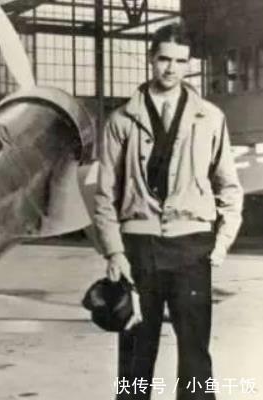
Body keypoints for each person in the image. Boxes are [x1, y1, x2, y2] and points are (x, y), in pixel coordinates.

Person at [93, 22, 243, 400]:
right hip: (139, 248)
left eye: (180, 61)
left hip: (192, 247)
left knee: (195, 356)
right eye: (164, 59)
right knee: (135, 358)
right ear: (151, 58)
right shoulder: (121, 121)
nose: (171, 68)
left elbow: (229, 186)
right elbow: (104, 194)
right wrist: (114, 252)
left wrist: (221, 244)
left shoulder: (210, 118)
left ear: (189, 64)